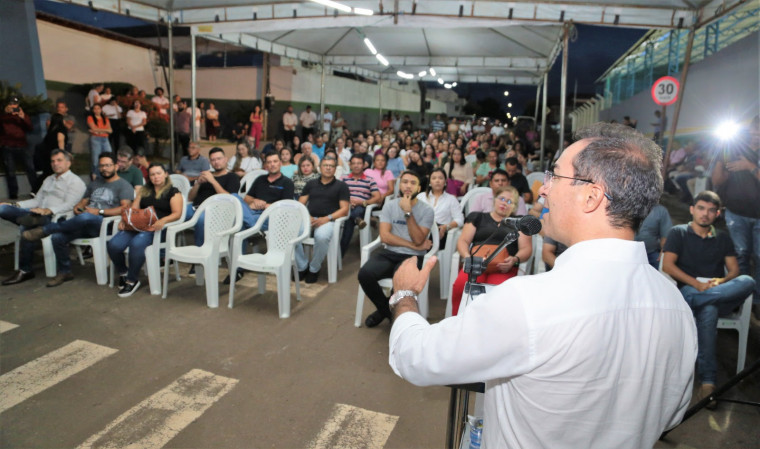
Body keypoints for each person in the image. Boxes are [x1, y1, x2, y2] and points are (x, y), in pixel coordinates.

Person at [388, 123, 698, 449]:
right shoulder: (674, 304)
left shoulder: (531, 302)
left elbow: (416, 358)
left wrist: (405, 295)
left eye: (555, 177)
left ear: (591, 196)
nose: (543, 190)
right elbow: (672, 414)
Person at [663, 191, 755, 402]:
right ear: (692, 209)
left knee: (748, 281)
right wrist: (696, 283)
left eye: (711, 210)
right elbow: (668, 265)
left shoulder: (722, 237)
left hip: (713, 294)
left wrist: (719, 283)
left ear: (718, 214)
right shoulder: (679, 232)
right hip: (690, 289)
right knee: (708, 309)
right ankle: (708, 383)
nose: (705, 214)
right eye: (701, 208)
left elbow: (733, 271)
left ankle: (703, 299)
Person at [21, 153, 133, 287]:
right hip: (83, 222)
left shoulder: (123, 185)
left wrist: (99, 212)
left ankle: (46, 229)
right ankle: (65, 272)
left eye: (108, 165)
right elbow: (83, 201)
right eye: (102, 165)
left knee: (86, 216)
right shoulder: (95, 183)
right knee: (58, 237)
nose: (104, 168)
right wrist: (78, 207)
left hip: (104, 225)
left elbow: (125, 208)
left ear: (116, 166)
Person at [358, 171, 434, 327]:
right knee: (365, 274)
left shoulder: (427, 210)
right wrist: (413, 245)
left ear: (419, 188)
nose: (408, 186)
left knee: (399, 285)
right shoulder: (390, 205)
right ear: (400, 185)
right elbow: (385, 237)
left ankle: (383, 314)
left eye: (413, 183)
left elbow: (418, 239)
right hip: (390, 252)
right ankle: (388, 312)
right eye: (405, 182)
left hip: (413, 256)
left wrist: (407, 213)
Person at [1, 150, 87, 286]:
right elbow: (36, 201)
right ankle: (27, 219)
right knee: (3, 208)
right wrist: (15, 204)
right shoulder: (49, 179)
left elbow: (70, 205)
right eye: (53, 161)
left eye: (59, 160)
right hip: (37, 213)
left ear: (68, 163)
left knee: (26, 227)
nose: (55, 164)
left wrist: (48, 210)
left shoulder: (76, 182)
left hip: (55, 218)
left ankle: (25, 270)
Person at [449, 186, 533, 315]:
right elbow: (463, 241)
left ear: (514, 206)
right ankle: (457, 323)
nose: (504, 203)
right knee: (462, 287)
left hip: (504, 267)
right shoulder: (477, 217)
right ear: (494, 200)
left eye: (510, 202)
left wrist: (514, 260)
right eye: (502, 199)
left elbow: (526, 248)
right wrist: (467, 257)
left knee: (497, 294)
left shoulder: (519, 223)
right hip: (475, 265)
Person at [107, 163, 182, 297]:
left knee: (137, 243)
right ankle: (124, 273)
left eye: (158, 173)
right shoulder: (144, 191)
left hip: (158, 229)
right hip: (139, 225)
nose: (155, 177)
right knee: (114, 244)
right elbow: (134, 210)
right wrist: (125, 220)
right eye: (152, 174)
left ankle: (132, 280)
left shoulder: (173, 192)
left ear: (165, 174)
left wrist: (163, 220)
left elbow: (177, 213)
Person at [710, 118, 760, 315]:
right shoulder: (735, 149)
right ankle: (741, 298)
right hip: (736, 213)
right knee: (741, 254)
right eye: (753, 129)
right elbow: (717, 180)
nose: (755, 133)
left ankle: (756, 300)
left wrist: (750, 167)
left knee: (759, 257)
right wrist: (721, 155)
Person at [294, 157, 349, 283]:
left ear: (335, 169)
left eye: (331, 166)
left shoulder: (341, 186)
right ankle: (302, 266)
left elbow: (344, 209)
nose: (328, 168)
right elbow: (300, 204)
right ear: (320, 168)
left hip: (329, 220)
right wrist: (307, 216)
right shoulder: (311, 184)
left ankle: (314, 268)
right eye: (325, 165)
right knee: (292, 232)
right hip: (310, 218)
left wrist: (327, 218)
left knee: (322, 237)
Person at [186, 147, 241, 247]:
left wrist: (213, 181)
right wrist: (197, 183)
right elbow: (190, 198)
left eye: (219, 159)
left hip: (215, 212)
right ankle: (165, 253)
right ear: (210, 162)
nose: (216, 162)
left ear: (225, 159)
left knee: (201, 220)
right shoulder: (206, 175)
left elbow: (230, 198)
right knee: (175, 214)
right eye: (213, 160)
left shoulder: (232, 177)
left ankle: (201, 252)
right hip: (195, 207)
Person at [340, 154, 382, 256]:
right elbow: (337, 193)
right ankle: (357, 219)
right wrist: (348, 201)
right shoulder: (344, 178)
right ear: (350, 165)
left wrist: (362, 202)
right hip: (345, 206)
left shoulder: (369, 180)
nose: (356, 166)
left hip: (362, 207)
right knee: (350, 216)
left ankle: (340, 253)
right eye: (353, 163)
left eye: (359, 163)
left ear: (364, 165)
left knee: (353, 216)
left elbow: (377, 197)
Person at [419, 168, 463, 248]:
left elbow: (459, 219)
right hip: (421, 229)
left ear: (445, 182)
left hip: (440, 231)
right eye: (434, 178)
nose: (437, 181)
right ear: (430, 182)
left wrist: (446, 227)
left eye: (440, 178)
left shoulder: (451, 199)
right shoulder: (421, 197)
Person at [1, 97, 35, 199]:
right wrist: (8, 114)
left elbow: (30, 128)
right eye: (11, 104)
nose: (13, 106)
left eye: (15, 104)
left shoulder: (22, 116)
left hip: (22, 146)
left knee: (30, 168)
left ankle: (36, 190)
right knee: (10, 171)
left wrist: (23, 116)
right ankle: (13, 195)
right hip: (7, 147)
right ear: (8, 105)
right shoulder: (3, 117)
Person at [634, 203, 672, 269]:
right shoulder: (626, 206)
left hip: (651, 253)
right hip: (628, 252)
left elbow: (666, 236)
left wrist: (663, 252)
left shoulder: (661, 211)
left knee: (662, 266)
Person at [86, 104, 113, 180]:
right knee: (96, 159)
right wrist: (105, 130)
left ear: (101, 109)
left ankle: (106, 174)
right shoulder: (90, 118)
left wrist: (97, 130)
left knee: (108, 156)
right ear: (93, 110)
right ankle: (95, 176)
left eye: (98, 108)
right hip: (95, 139)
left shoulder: (105, 118)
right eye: (95, 108)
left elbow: (110, 130)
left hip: (105, 139)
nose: (97, 110)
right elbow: (93, 128)